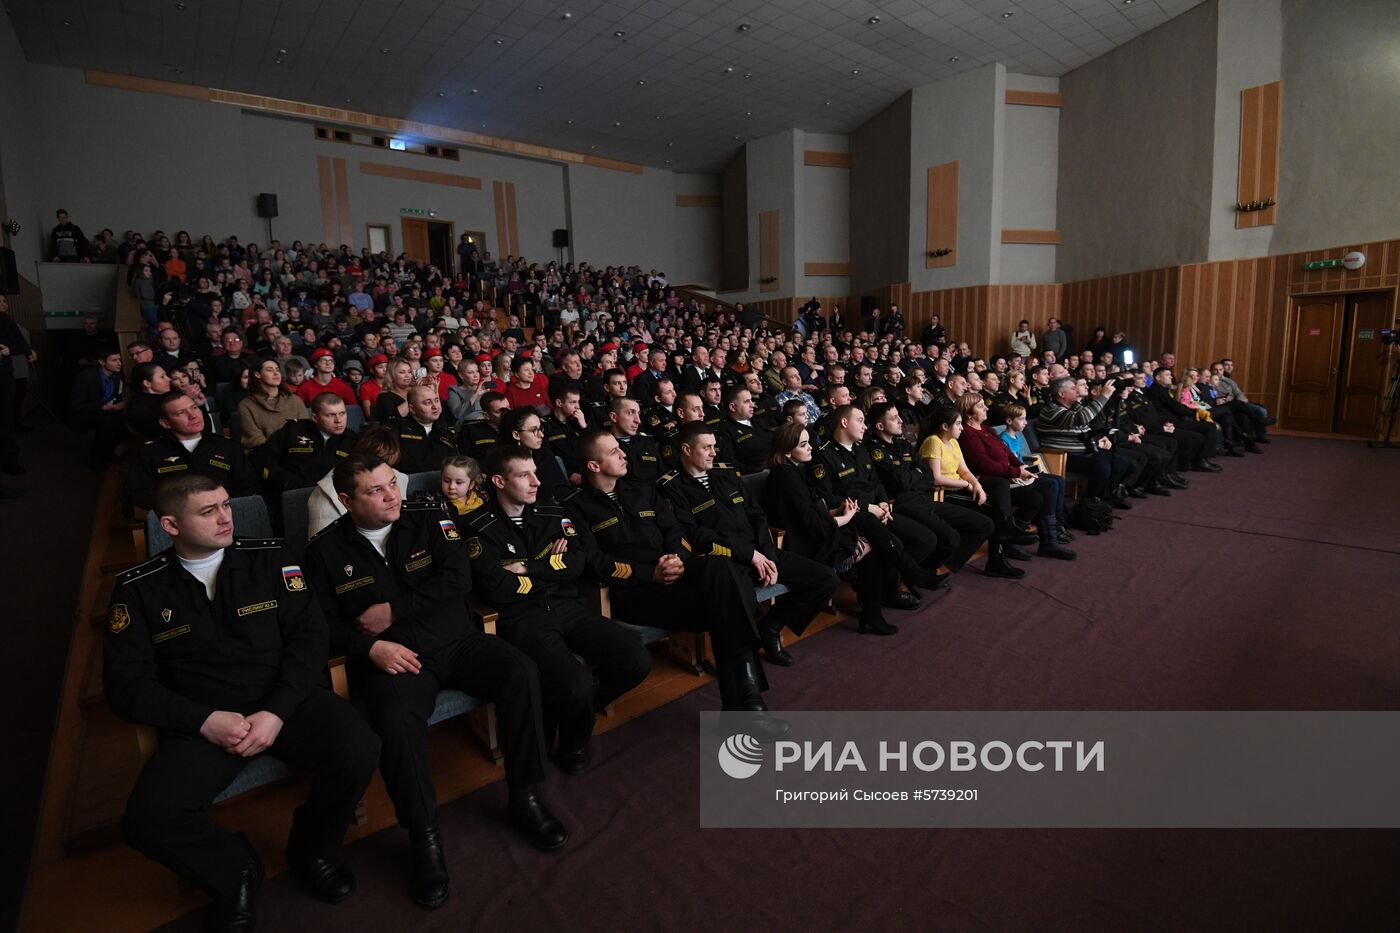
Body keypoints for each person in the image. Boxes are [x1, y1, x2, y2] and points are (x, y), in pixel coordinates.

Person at [105, 474, 380, 931]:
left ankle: (313, 847)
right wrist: (204, 721)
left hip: (283, 702)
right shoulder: (139, 588)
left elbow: (309, 639)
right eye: (208, 511)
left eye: (226, 505)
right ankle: (235, 872)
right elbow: (126, 685)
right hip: (205, 720)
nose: (225, 517)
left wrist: (276, 712)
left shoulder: (269, 557)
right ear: (170, 525)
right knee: (147, 819)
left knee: (359, 748)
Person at [305, 454, 567, 910]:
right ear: (346, 500)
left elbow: (458, 578)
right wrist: (368, 648)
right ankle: (423, 837)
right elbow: (318, 625)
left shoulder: (428, 517)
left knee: (521, 672)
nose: (392, 496)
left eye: (392, 484)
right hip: (398, 659)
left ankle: (525, 795)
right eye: (376, 490)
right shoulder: (324, 551)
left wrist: (395, 610)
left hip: (457, 641)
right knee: (394, 720)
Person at [563, 429, 788, 740]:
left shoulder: (641, 490)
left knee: (720, 568)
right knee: (728, 605)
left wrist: (679, 556)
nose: (624, 454)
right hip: (637, 591)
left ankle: (748, 707)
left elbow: (675, 531)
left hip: (677, 574)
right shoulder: (574, 506)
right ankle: (747, 705)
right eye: (614, 452)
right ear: (593, 466)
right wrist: (648, 573)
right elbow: (594, 563)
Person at [466, 445, 653, 774]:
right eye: (524, 475)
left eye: (535, 472)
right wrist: (550, 565)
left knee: (635, 658)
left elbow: (577, 563)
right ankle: (573, 742)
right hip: (522, 619)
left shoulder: (552, 512)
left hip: (567, 606)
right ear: (498, 480)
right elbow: (496, 587)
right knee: (574, 684)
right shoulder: (477, 528)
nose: (536, 481)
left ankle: (574, 712)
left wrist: (528, 568)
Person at [657, 421, 839, 667]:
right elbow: (696, 536)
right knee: (742, 609)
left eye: (714, 446)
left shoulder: (726, 472)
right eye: (707, 447)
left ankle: (771, 627)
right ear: (687, 449)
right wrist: (750, 555)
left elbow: (757, 515)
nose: (714, 452)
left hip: (760, 551)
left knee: (825, 579)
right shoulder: (671, 486)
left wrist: (767, 553)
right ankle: (744, 666)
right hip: (728, 562)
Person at [763, 423, 910, 636]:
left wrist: (836, 511)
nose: (810, 448)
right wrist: (845, 517)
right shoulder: (785, 476)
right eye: (803, 445)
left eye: (808, 443)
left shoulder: (794, 470)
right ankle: (874, 611)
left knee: (872, 546)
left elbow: (814, 510)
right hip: (803, 542)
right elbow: (809, 522)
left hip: (816, 531)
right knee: (871, 546)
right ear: (786, 451)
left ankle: (872, 612)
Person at [863, 402, 1008, 577]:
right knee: (946, 538)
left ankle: (935, 569)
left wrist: (914, 476)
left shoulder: (903, 444)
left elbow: (928, 476)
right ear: (880, 426)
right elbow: (903, 482)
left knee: (985, 524)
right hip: (903, 503)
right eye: (894, 418)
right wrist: (916, 474)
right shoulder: (874, 450)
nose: (901, 421)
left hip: (923, 497)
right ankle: (921, 573)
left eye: (899, 416)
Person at [955, 394, 1076, 560]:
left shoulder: (986, 429)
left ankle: (1046, 541)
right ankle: (1016, 540)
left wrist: (1019, 465)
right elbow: (982, 465)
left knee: (1046, 490)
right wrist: (1016, 472)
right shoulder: (968, 434)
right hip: (991, 482)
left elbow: (1006, 452)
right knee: (1041, 493)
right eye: (981, 406)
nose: (987, 408)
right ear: (969, 413)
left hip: (1006, 477)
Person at [920, 407, 1045, 562]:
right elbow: (935, 478)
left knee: (998, 501)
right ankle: (996, 553)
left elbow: (964, 470)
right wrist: (967, 485)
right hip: (943, 493)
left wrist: (977, 486)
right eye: (958, 424)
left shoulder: (953, 442)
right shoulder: (933, 442)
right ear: (945, 426)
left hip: (958, 487)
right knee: (994, 511)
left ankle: (1000, 550)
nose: (962, 427)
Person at [125, 392, 257, 510]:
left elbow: (247, 487)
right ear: (166, 423)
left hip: (226, 516)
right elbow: (139, 495)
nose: (193, 415)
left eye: (194, 407)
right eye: (181, 413)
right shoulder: (149, 453)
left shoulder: (227, 446)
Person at [1036, 375, 1135, 505]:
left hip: (1084, 450)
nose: (1077, 390)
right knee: (1102, 468)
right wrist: (1103, 395)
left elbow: (1094, 420)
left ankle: (1103, 497)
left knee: (1122, 463)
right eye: (1073, 388)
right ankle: (1089, 503)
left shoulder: (1074, 406)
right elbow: (1081, 419)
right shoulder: (1050, 410)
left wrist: (1112, 399)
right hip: (1063, 455)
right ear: (1061, 394)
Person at [307, 424, 411, 537]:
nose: (392, 496)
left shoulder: (399, 477)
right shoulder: (324, 499)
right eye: (376, 489)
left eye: (389, 466)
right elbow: (324, 548)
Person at [70, 348, 130, 471]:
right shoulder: (85, 377)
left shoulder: (117, 374)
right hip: (89, 412)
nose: (119, 363)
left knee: (128, 422)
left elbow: (114, 397)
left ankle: (110, 453)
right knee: (107, 424)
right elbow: (77, 405)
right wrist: (103, 408)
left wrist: (120, 404)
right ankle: (97, 461)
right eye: (114, 360)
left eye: (119, 359)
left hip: (110, 411)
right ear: (102, 362)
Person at [237, 357, 310, 450]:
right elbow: (254, 439)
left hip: (297, 452)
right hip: (265, 455)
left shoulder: (295, 400)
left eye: (277, 370)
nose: (276, 373)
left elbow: (306, 431)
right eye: (269, 370)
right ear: (257, 374)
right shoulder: (246, 405)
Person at [499, 406, 571, 500]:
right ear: (516, 435)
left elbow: (562, 491)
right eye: (534, 430)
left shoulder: (545, 455)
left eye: (540, 428)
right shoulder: (502, 462)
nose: (541, 435)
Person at [0, 294, 32, 483]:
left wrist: (8, 350)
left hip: (3, 376)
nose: (4, 304)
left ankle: (9, 462)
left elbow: (21, 345)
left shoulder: (5, 320)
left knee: (5, 419)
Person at [391, 385, 458, 474]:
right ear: (412, 409)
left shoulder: (446, 433)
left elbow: (455, 465)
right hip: (407, 483)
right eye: (427, 402)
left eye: (437, 400)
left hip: (440, 484)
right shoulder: (397, 427)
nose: (435, 406)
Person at [605, 395, 663, 487]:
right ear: (614, 417)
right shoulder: (604, 446)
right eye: (630, 413)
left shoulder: (646, 440)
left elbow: (661, 473)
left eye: (638, 414)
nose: (638, 420)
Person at [718, 382, 773, 476]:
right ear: (732, 407)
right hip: (757, 476)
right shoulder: (723, 431)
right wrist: (761, 470)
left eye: (751, 400)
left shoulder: (758, 421)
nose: (752, 405)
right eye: (747, 402)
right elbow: (732, 463)